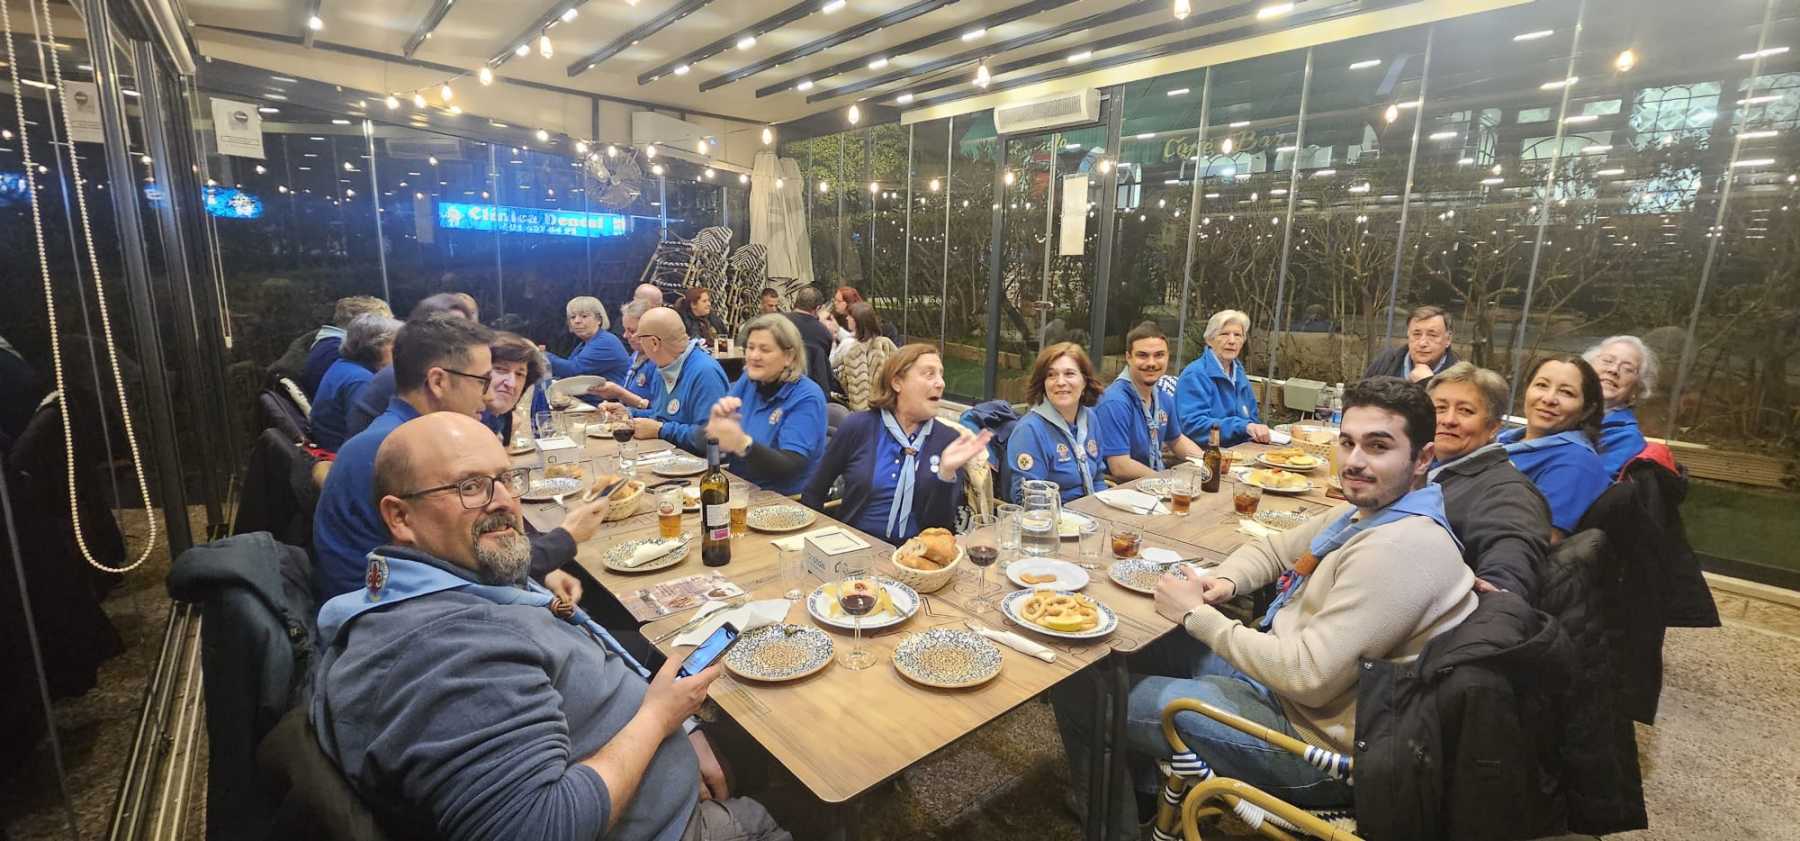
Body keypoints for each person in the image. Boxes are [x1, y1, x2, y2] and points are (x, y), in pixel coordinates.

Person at [311, 412, 791, 841]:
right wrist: (659, 718)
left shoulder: (441, 588)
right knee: (789, 771)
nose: (503, 502)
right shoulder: (446, 653)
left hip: (659, 768)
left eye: (505, 479)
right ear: (399, 516)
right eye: (470, 486)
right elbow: (541, 826)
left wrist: (681, 726)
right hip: (676, 824)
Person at [1055, 377, 1477, 837]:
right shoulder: (1373, 512)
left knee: (1085, 697)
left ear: (1423, 458)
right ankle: (1138, 797)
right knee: (1113, 653)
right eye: (1347, 442)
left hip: (1315, 748)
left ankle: (1115, 828)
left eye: (1378, 446)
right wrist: (1224, 581)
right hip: (1289, 688)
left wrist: (1198, 616)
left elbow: (1307, 676)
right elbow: (1276, 550)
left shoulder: (1399, 549)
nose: (1355, 461)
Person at [312, 315, 600, 602]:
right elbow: (464, 561)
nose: (487, 396)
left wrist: (537, 572)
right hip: (399, 609)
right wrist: (565, 539)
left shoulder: (392, 432)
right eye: (482, 381)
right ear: (438, 381)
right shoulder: (400, 449)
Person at [804, 345, 991, 543]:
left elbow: (940, 529)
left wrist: (945, 474)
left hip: (916, 556)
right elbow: (813, 492)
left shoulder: (948, 439)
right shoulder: (858, 427)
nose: (941, 383)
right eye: (929, 374)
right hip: (854, 549)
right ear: (897, 382)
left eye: (941, 375)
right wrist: (817, 542)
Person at [1426, 362, 1549, 601]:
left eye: (1465, 411)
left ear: (1493, 427)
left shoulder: (1508, 493)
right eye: (1440, 408)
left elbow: (1510, 571)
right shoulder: (1429, 469)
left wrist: (1494, 594)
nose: (1448, 420)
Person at [699, 315, 828, 495]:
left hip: (784, 500)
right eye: (750, 348)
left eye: (764, 350)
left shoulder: (807, 397)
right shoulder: (748, 381)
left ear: (789, 356)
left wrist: (742, 443)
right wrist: (713, 429)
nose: (754, 356)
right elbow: (710, 444)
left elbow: (790, 466)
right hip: (740, 490)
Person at [1498, 355, 1611, 540]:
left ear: (1587, 410)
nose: (1549, 399)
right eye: (1542, 385)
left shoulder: (1578, 464)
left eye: (1566, 393)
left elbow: (1540, 539)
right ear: (1527, 390)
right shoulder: (1499, 439)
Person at [344, 293, 478, 439]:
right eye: (447, 328)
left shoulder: (449, 370)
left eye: (463, 329)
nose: (458, 337)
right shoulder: (399, 374)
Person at [600, 307, 729, 456]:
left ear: (654, 343)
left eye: (640, 337)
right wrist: (629, 414)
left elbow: (713, 437)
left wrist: (661, 430)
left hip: (700, 465)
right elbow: (664, 416)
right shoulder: (664, 366)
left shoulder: (705, 372)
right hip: (668, 455)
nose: (629, 338)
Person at [1095, 322, 1202, 481]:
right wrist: (1166, 481)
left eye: (1159, 355)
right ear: (1128, 357)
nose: (1151, 363)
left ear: (1167, 357)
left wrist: (1207, 462)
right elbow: (1120, 466)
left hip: (1153, 482)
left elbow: (1177, 440)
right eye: (1143, 355)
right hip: (1120, 488)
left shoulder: (1162, 397)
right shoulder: (1114, 402)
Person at [1006, 343, 1107, 504]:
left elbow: (1098, 479)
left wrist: (1103, 510)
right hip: (1053, 516)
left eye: (1069, 374)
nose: (1060, 382)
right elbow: (1029, 500)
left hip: (1091, 513)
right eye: (1051, 375)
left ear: (1084, 381)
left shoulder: (1090, 419)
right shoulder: (1030, 430)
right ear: (1043, 384)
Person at [1175, 309, 1270, 446]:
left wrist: (1254, 430)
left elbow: (1252, 418)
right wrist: (1243, 427)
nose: (1232, 341)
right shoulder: (1195, 375)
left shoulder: (1239, 373)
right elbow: (1193, 426)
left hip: (1242, 450)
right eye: (1224, 334)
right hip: (1205, 453)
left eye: (1238, 335)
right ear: (1210, 340)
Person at [311, 313, 402, 450]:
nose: (401, 353)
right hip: (339, 452)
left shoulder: (343, 365)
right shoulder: (361, 381)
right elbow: (365, 435)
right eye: (396, 346)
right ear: (375, 346)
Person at [267, 295, 389, 399]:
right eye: (384, 326)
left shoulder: (327, 345)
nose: (388, 332)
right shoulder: (338, 352)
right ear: (363, 326)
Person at [1583, 335, 1658, 477]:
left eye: (1627, 369)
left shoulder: (1627, 438)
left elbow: (1591, 483)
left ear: (1636, 389)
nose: (1614, 370)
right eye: (1607, 361)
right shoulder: (1564, 411)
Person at [830, 302, 898, 412]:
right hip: (885, 406)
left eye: (850, 316)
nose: (847, 318)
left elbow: (847, 381)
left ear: (857, 321)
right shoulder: (885, 343)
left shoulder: (852, 349)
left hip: (862, 409)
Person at [1364, 305, 1459, 383]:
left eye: (1432, 335)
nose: (1422, 343)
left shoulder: (1460, 376)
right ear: (1408, 335)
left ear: (1448, 339)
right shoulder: (1386, 362)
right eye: (1416, 334)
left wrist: (1426, 383)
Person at [483, 331, 547, 445]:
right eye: (501, 369)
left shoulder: (504, 416)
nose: (511, 384)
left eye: (519, 374)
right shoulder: (466, 424)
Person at [546, 296, 630, 382]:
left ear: (599, 320)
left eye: (584, 316)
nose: (577, 321)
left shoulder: (605, 342)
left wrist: (541, 356)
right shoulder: (585, 343)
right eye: (572, 317)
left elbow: (573, 370)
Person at [784, 286, 836, 398]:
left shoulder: (777, 323)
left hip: (779, 384)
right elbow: (822, 363)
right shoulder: (824, 334)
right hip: (810, 390)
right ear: (817, 308)